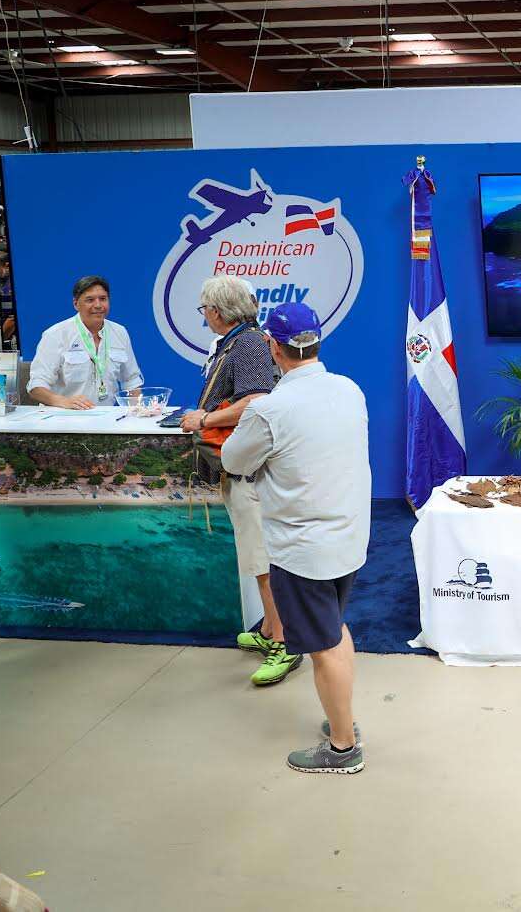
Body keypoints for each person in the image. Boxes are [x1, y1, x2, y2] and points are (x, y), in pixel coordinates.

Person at [222, 301, 371, 774]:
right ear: (317, 341)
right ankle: (342, 719)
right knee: (335, 631)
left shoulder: (270, 409)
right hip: (348, 537)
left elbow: (233, 461)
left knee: (324, 644)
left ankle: (343, 749)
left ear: (272, 346)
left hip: (303, 548)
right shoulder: (349, 390)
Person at [179, 276, 299, 687]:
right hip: (242, 467)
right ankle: (269, 630)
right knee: (255, 553)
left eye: (204, 310)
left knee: (260, 558)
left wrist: (206, 419)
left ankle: (284, 643)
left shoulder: (245, 343)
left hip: (249, 470)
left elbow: (256, 398)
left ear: (215, 311)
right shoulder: (240, 341)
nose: (205, 317)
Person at [26, 275, 143, 408]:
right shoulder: (56, 334)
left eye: (103, 299)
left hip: (106, 420)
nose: (98, 305)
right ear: (76, 304)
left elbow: (131, 381)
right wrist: (64, 402)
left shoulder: (119, 332)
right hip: (63, 420)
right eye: (90, 300)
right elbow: (36, 387)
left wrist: (137, 412)